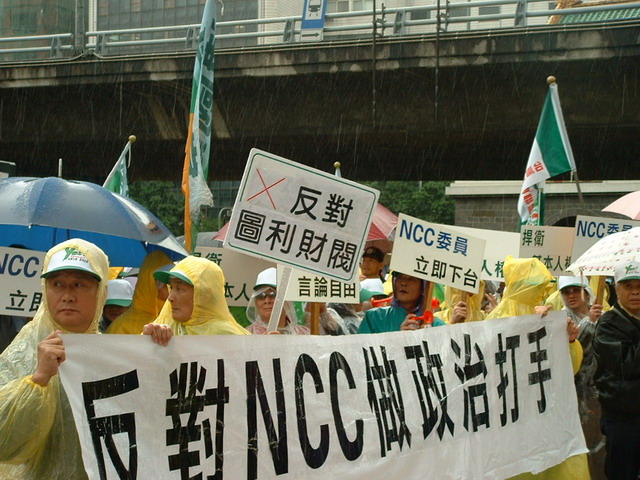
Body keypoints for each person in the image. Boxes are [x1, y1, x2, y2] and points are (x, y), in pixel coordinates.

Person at [0, 238, 109, 479]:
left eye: (79, 284)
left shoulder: (115, 354)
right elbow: (5, 446)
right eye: (57, 284)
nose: (67, 296)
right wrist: (38, 379)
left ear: (102, 292)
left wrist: (158, 350)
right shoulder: (21, 353)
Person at [593, 261, 640, 480]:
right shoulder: (608, 324)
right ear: (616, 289)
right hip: (623, 418)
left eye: (639, 286)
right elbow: (627, 365)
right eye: (628, 286)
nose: (635, 292)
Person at [143, 256, 250, 344]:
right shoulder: (166, 326)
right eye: (171, 287)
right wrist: (147, 338)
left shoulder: (227, 337)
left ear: (204, 296)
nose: (170, 297)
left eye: (179, 288)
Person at [358, 271, 446, 334]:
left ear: (423, 287)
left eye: (412, 279)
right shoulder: (374, 318)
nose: (403, 283)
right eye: (399, 277)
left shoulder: (438, 327)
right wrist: (400, 340)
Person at [106, 251, 171, 334]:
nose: (170, 289)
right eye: (166, 284)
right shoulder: (124, 324)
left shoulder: (174, 318)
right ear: (152, 283)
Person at [245, 267, 309, 335]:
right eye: (261, 295)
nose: (267, 301)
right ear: (256, 302)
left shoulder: (305, 334)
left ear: (287, 302)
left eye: (273, 295)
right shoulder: (246, 335)